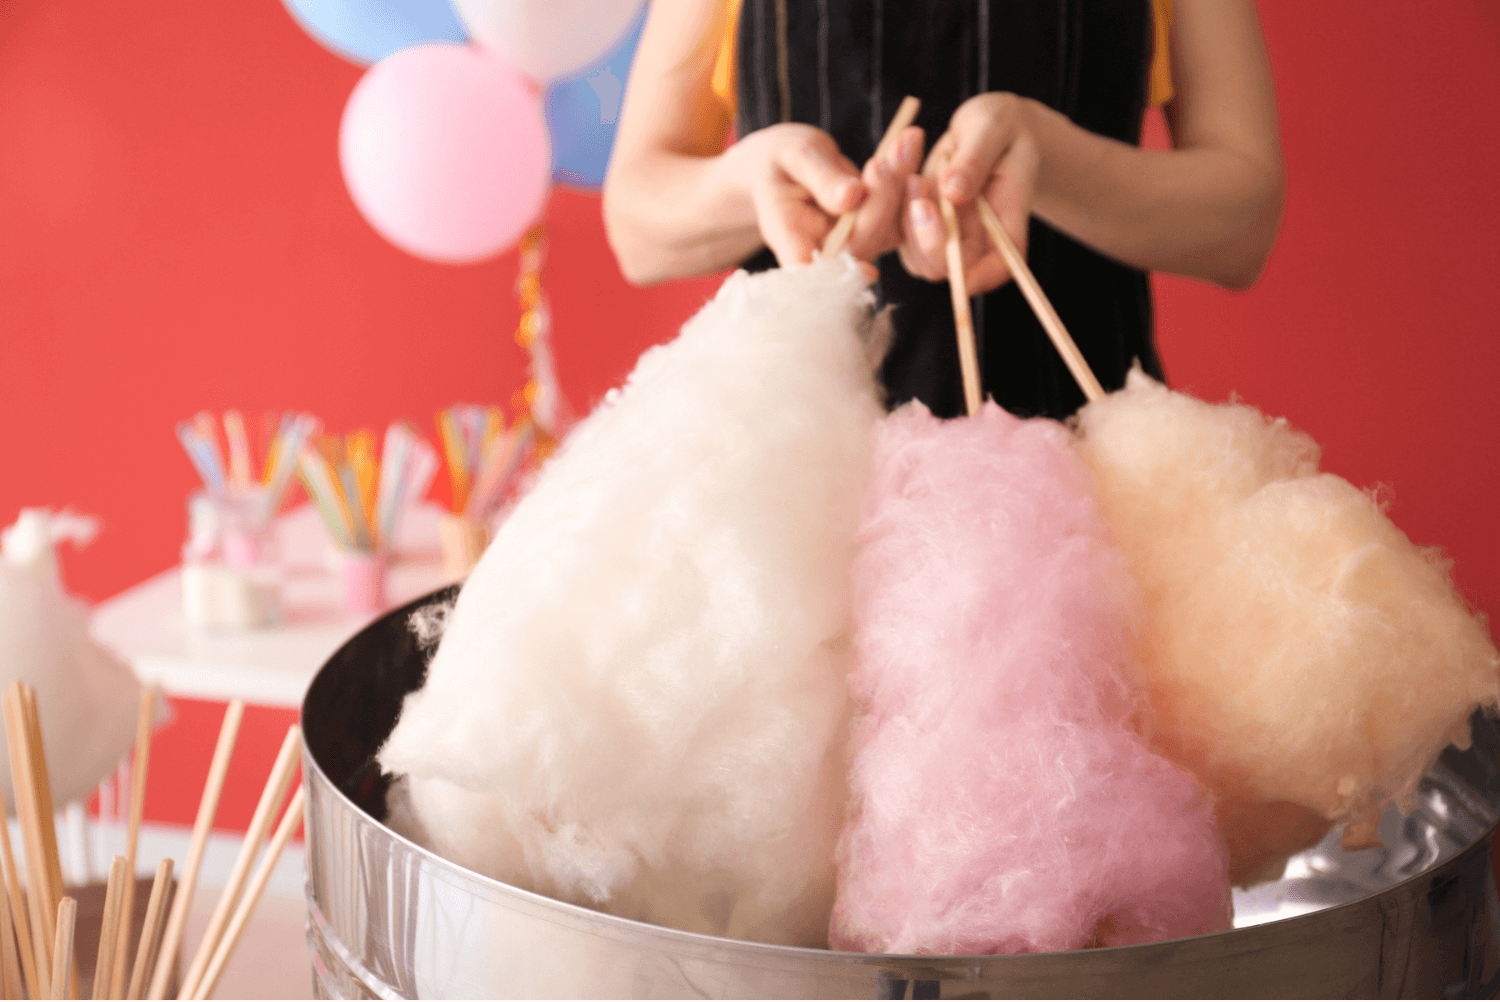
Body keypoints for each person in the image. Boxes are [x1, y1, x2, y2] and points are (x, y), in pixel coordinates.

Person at [603, 0, 1283, 419]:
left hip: (1085, 464)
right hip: (794, 493)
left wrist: (1051, 159)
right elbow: (638, 227)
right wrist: (751, 182)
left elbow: (1243, 223)